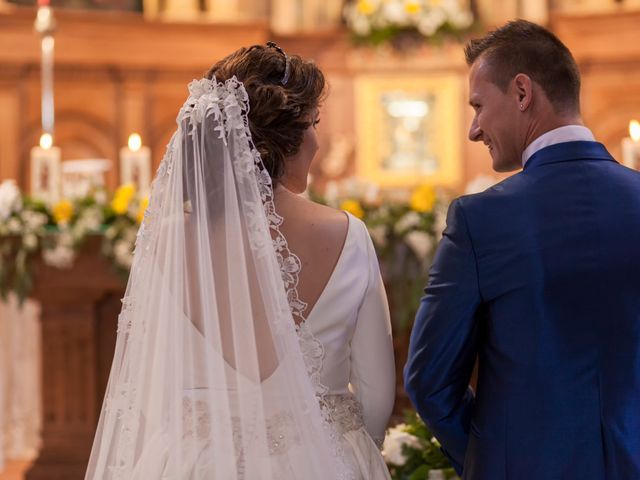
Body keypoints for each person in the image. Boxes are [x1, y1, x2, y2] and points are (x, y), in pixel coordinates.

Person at [85, 43, 395, 480]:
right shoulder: (347, 235)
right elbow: (377, 396)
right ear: (285, 140)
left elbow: (150, 384)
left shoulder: (165, 242)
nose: (318, 141)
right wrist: (346, 454)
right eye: (313, 124)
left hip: (196, 464)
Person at [404, 19, 640, 479]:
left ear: (521, 92)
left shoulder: (481, 219)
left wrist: (493, 458)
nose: (474, 129)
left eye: (478, 106)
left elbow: (429, 381)